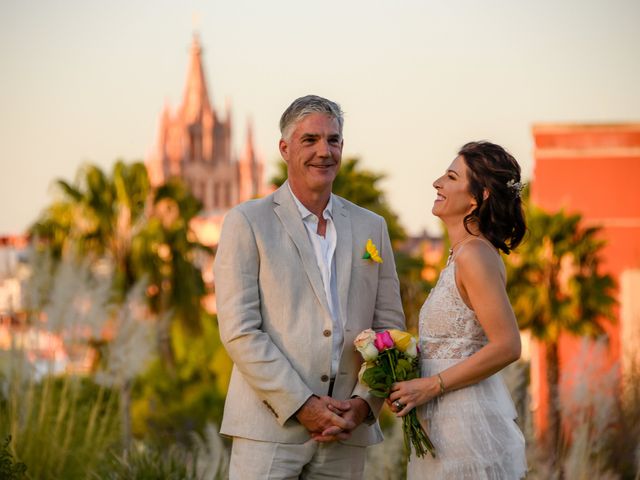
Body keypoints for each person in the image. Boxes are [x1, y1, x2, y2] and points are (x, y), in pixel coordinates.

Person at [214, 95, 405, 479]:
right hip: (268, 430)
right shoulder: (246, 222)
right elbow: (240, 331)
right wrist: (303, 405)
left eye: (333, 140)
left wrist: (365, 404)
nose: (324, 151)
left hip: (345, 433)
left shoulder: (372, 227)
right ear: (284, 148)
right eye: (310, 140)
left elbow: (389, 330)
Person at [389, 141, 528, 479]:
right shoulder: (461, 254)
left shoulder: (475, 255)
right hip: (442, 426)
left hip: (466, 427)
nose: (437, 182)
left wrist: (431, 385)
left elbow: (508, 346)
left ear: (477, 197)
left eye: (451, 177)